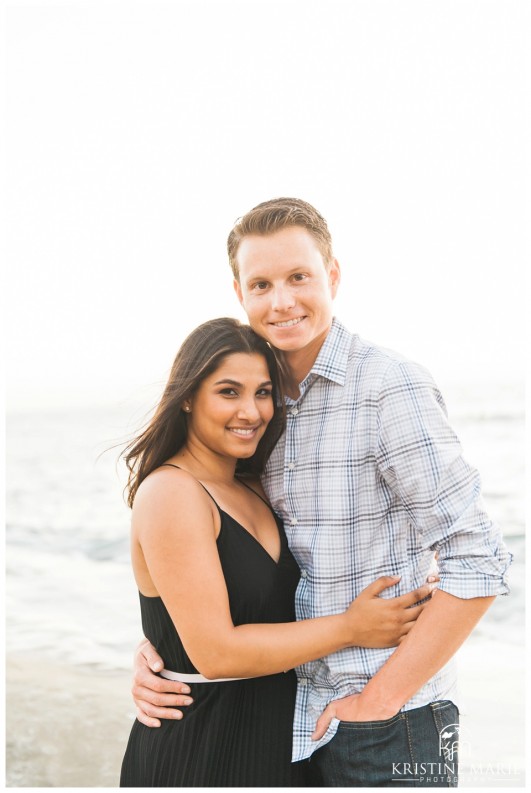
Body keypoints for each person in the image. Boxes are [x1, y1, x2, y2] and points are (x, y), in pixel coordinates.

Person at [132, 199, 512, 787]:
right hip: (287, 723)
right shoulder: (262, 415)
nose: (281, 300)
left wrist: (380, 699)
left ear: (332, 276)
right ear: (240, 293)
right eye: (262, 283)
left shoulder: (389, 388)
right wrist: (163, 651)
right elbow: (225, 569)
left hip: (388, 725)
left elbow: (479, 559)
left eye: (299, 277)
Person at [119, 317, 436, 788]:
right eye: (229, 392)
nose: (251, 411)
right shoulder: (170, 492)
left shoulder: (254, 485)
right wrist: (351, 628)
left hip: (282, 742)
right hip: (203, 748)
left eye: (263, 393)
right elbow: (216, 653)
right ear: (187, 397)